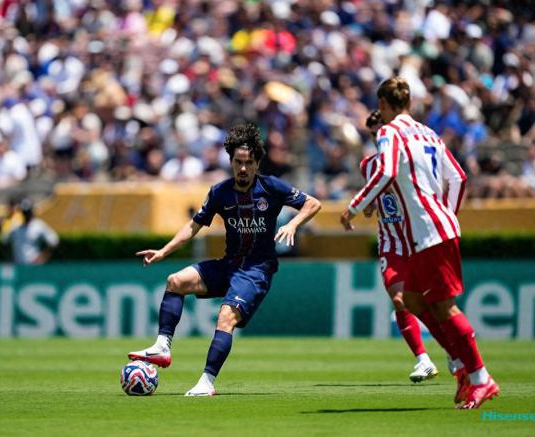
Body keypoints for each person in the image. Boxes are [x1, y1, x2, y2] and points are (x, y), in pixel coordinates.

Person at [128, 123, 322, 396]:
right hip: (229, 265)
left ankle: (206, 382)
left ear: (257, 164)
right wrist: (163, 251)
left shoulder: (271, 186)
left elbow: (313, 203)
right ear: (230, 162)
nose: (243, 168)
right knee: (176, 281)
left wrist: (293, 224)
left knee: (226, 316)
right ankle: (162, 346)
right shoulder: (220, 192)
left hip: (256, 271)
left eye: (249, 163)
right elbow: (194, 225)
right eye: (238, 162)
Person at [340, 77, 499, 409]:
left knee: (444, 306)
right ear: (409, 103)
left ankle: (480, 377)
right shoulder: (428, 133)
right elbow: (458, 177)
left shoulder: (390, 132)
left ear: (383, 104)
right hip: (433, 229)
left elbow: (385, 172)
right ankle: (461, 365)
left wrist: (353, 207)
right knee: (412, 299)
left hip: (429, 232)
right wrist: (447, 214)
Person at [362, 110, 441, 383]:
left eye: (379, 131)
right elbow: (375, 199)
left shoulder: (409, 160)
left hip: (418, 241)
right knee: (399, 299)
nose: (377, 138)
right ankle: (423, 360)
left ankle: (456, 351)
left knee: (433, 303)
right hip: (391, 243)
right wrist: (369, 206)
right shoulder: (367, 166)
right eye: (372, 134)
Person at [1, 198, 59, 265]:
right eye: (24, 213)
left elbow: (54, 240)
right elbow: (5, 241)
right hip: (18, 266)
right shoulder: (15, 226)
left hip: (34, 266)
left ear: (31, 212)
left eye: (27, 213)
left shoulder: (38, 225)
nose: (26, 215)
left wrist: (43, 257)